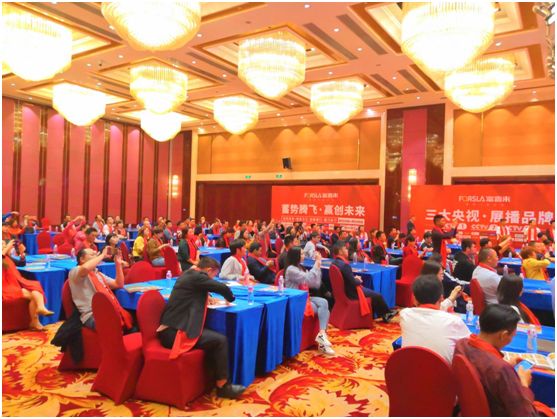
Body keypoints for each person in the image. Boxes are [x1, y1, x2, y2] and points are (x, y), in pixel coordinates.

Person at [157, 257, 245, 399]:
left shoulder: (189, 274)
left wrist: (206, 295)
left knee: (214, 338)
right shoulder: (197, 277)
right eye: (213, 275)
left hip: (173, 326)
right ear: (209, 270)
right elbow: (222, 288)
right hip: (173, 332)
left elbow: (194, 291)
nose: (212, 279)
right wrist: (230, 298)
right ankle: (223, 386)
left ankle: (211, 380)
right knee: (220, 341)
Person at [454, 304, 552, 416]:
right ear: (503, 335)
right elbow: (525, 414)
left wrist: (503, 364)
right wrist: (524, 384)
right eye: (512, 336)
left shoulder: (461, 345)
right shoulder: (501, 370)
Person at [400, 274, 470, 363]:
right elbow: (471, 346)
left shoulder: (405, 315)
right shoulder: (453, 321)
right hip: (443, 371)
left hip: (410, 369)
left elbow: (430, 310)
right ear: (441, 297)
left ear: (414, 298)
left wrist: (451, 299)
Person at [284, 247, 335, 355]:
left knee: (324, 302)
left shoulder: (300, 267)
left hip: (305, 298)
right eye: (302, 254)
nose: (304, 256)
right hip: (296, 302)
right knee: (324, 310)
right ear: (296, 256)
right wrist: (317, 264)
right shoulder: (291, 269)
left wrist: (317, 266)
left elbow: (315, 283)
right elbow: (308, 279)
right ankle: (322, 342)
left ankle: (322, 335)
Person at [331, 240, 397, 322]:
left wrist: (354, 278)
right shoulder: (345, 265)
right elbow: (354, 283)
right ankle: (386, 314)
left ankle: (384, 314)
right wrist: (358, 279)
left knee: (373, 294)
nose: (347, 250)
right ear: (340, 251)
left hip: (343, 291)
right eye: (345, 249)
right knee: (377, 295)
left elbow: (347, 278)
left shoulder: (334, 263)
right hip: (351, 293)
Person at [69, 247, 132, 331]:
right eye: (92, 255)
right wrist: (102, 255)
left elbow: (118, 284)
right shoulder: (75, 271)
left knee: (132, 317)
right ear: (82, 259)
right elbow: (85, 268)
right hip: (92, 315)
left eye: (96, 254)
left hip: (108, 310)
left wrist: (118, 265)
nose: (96, 256)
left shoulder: (97, 273)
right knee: (113, 324)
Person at [2, 240, 53, 330]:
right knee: (33, 292)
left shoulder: (7, 257)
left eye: (4, 244)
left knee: (35, 288)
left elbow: (21, 263)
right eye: (1, 244)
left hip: (15, 284)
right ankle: (35, 319)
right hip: (5, 287)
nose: (4, 246)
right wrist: (6, 249)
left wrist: (22, 253)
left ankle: (38, 312)